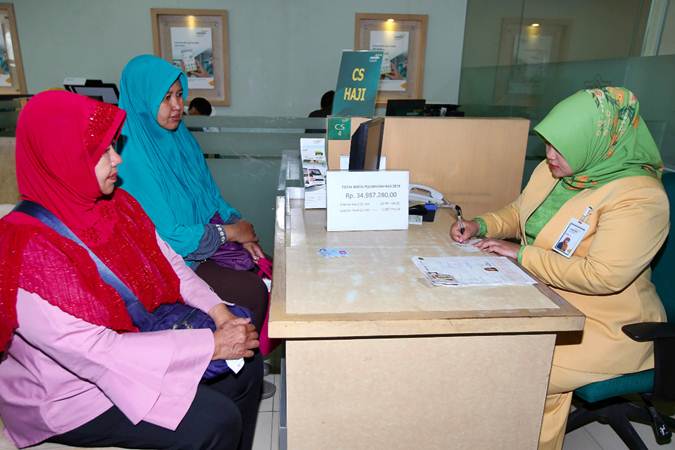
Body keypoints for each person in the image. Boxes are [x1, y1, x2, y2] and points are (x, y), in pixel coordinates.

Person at [0, 91, 262, 449]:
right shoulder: (22, 251)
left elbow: (172, 265)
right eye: (102, 151)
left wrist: (220, 314)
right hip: (75, 397)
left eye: (114, 146)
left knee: (246, 368)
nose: (118, 159)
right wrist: (210, 346)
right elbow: (95, 353)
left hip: (137, 342)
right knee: (214, 422)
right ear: (62, 156)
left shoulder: (117, 205)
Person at [449, 87, 669, 450]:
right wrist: (481, 225)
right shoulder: (555, 172)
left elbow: (602, 276)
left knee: (522, 370)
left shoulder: (639, 198)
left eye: (561, 147)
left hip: (607, 326)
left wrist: (521, 255)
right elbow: (519, 212)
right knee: (477, 343)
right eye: (548, 144)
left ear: (596, 143)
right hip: (544, 298)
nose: (550, 155)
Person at [116, 55, 275, 398]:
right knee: (251, 290)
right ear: (143, 99)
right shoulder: (129, 152)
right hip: (168, 264)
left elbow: (211, 197)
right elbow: (170, 236)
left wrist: (240, 229)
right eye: (166, 98)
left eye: (179, 95)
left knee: (264, 266)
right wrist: (230, 234)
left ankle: (243, 371)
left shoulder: (180, 138)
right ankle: (224, 384)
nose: (178, 106)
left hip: (202, 246)